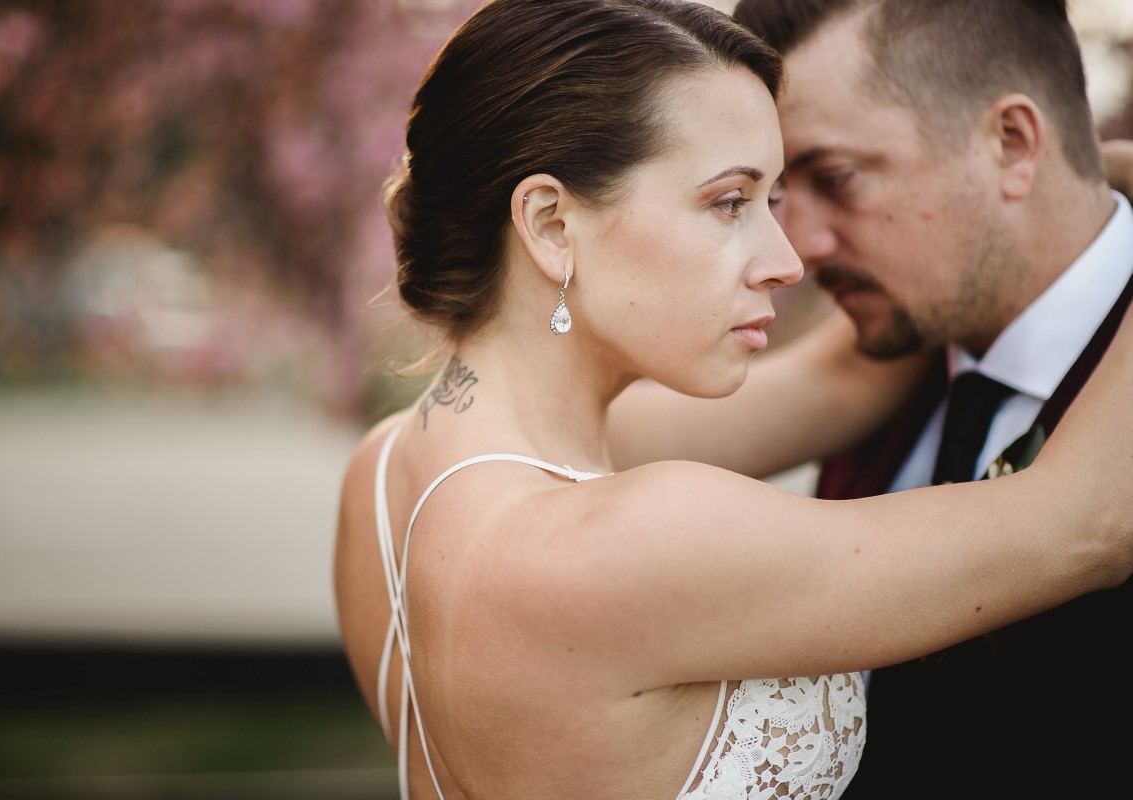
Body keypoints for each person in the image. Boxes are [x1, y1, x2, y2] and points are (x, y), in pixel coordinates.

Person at [333, 2, 1133, 798]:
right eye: (728, 202)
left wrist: (1089, 180)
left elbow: (844, 376)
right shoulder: (645, 532)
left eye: (775, 198)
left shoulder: (384, 480)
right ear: (548, 224)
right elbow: (1082, 521)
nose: (789, 261)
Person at [608, 0, 1133, 796]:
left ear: (1012, 144)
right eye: (782, 192)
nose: (798, 249)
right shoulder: (874, 369)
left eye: (836, 178)